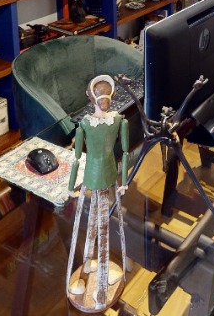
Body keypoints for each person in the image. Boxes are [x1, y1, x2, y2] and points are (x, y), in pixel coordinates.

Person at [66, 75, 130, 312]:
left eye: (106, 94)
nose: (104, 99)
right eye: (100, 94)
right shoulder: (87, 124)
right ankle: (91, 272)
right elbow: (76, 159)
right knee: (97, 227)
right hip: (94, 177)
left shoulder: (116, 121)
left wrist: (124, 182)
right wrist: (71, 186)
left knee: (102, 229)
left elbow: (125, 152)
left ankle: (100, 285)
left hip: (106, 176)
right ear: (93, 97)